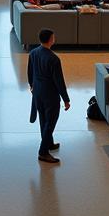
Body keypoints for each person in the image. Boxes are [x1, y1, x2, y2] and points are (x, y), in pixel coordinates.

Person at [27, 28, 70, 163]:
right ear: (51, 40)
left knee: (43, 119)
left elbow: (30, 71)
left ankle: (49, 142)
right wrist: (66, 99)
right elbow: (59, 81)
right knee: (50, 122)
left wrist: (31, 85)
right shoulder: (53, 59)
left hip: (38, 91)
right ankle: (43, 151)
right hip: (50, 94)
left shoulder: (33, 52)